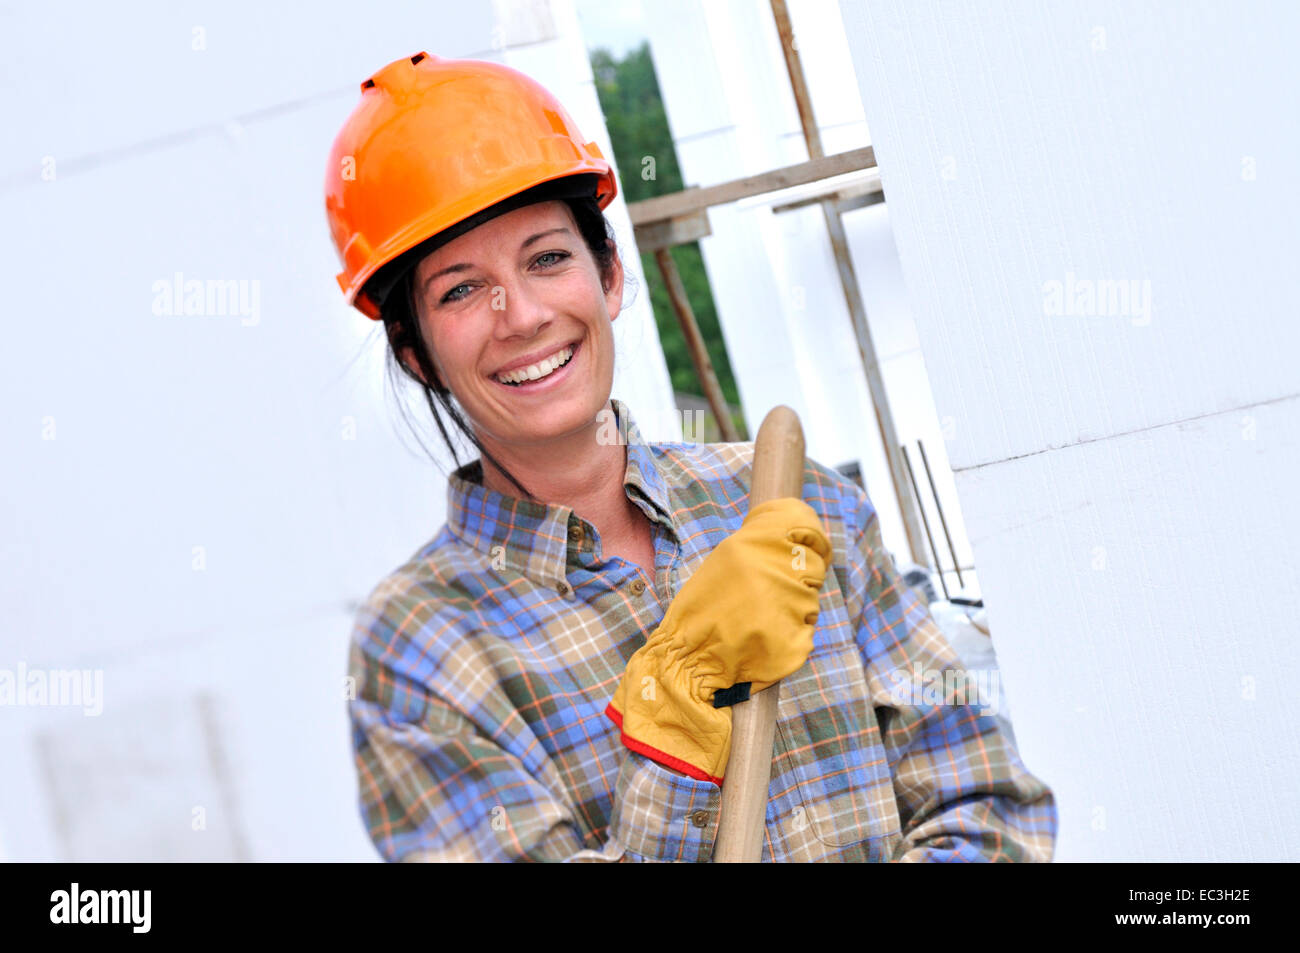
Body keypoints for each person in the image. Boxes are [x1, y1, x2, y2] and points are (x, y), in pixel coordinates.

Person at [325, 51, 1058, 862]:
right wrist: (679, 710)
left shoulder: (792, 505)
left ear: (607, 273)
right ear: (414, 348)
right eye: (461, 289)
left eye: (547, 257)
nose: (522, 315)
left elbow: (986, 801)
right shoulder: (418, 652)